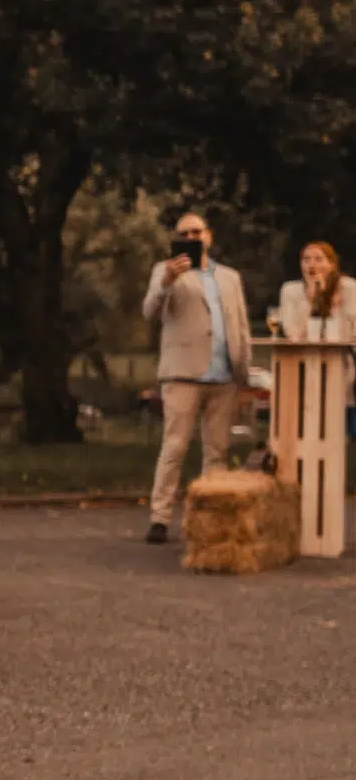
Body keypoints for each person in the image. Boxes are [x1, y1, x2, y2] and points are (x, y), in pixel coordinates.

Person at [141, 209, 253, 544]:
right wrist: (166, 283)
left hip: (224, 376)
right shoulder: (165, 271)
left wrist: (243, 372)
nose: (191, 239)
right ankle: (160, 518)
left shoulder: (230, 277)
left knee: (217, 451)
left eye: (196, 232)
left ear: (209, 236)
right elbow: (149, 312)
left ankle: (210, 517)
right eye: (184, 234)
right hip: (183, 374)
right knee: (174, 448)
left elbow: (241, 326)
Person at [279, 241, 356, 342]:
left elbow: (349, 334)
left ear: (331, 264)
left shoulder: (348, 287)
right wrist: (311, 301)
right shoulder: (290, 289)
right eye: (306, 259)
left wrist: (333, 306)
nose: (312, 265)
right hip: (303, 354)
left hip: (342, 353)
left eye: (318, 259)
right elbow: (293, 334)